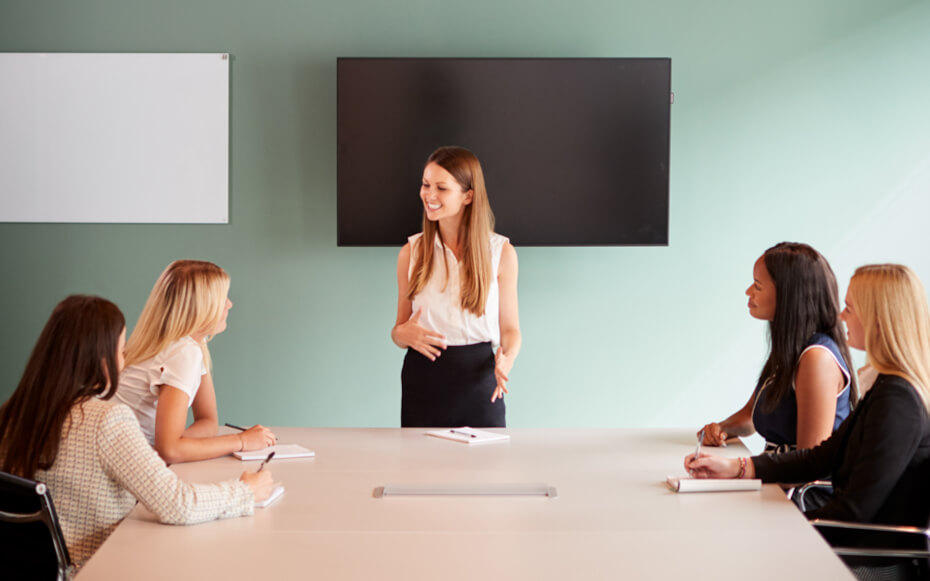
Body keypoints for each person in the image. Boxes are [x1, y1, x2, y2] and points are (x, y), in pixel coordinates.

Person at [0, 295, 273, 569]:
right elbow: (177, 504)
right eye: (121, 351)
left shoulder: (11, 413)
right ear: (101, 358)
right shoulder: (106, 420)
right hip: (94, 566)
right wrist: (245, 490)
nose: (124, 360)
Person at [686, 264, 930, 526]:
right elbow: (819, 458)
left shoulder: (897, 402)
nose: (841, 316)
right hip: (844, 542)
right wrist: (737, 468)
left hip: (863, 559)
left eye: (849, 308)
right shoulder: (887, 387)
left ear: (877, 322)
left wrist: (786, 527)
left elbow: (854, 513)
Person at [391, 146, 521, 427]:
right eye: (426, 185)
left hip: (480, 379)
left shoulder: (501, 253)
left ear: (468, 196)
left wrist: (506, 359)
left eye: (441, 188)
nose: (429, 195)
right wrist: (404, 334)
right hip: (423, 378)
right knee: (422, 470)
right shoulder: (410, 253)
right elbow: (398, 331)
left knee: (487, 470)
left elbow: (511, 330)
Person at [699, 242, 857, 452]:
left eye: (757, 285)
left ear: (787, 296)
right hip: (776, 479)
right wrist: (722, 428)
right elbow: (751, 416)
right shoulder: (790, 349)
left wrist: (741, 469)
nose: (748, 291)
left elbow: (806, 462)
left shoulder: (817, 358)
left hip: (798, 484)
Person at [117, 260, 276, 463]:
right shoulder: (182, 352)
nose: (229, 304)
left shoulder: (185, 345)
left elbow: (208, 421)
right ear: (201, 306)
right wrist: (241, 440)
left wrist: (179, 445)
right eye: (221, 298)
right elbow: (170, 451)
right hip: (127, 472)